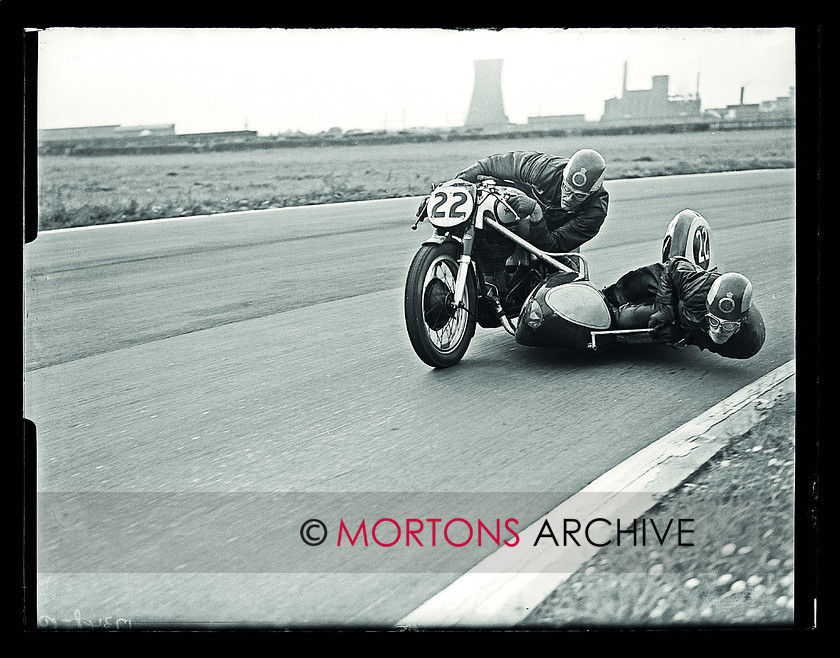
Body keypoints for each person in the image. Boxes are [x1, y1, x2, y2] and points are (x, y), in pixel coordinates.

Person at [603, 256, 766, 359]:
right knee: (634, 289)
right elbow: (674, 265)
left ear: (740, 323)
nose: (718, 331)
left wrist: (683, 336)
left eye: (728, 326)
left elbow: (707, 339)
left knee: (625, 319)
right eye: (714, 322)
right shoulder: (697, 289)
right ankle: (608, 294)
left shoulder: (749, 343)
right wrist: (665, 308)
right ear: (707, 309)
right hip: (681, 291)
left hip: (687, 318)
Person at [456, 149, 609, 256]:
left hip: (556, 236)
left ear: (591, 193)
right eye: (567, 189)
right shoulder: (545, 168)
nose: (569, 198)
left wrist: (535, 210)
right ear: (563, 178)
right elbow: (491, 165)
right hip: (519, 209)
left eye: (579, 196)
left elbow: (553, 246)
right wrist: (457, 183)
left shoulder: (595, 211)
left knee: (567, 275)